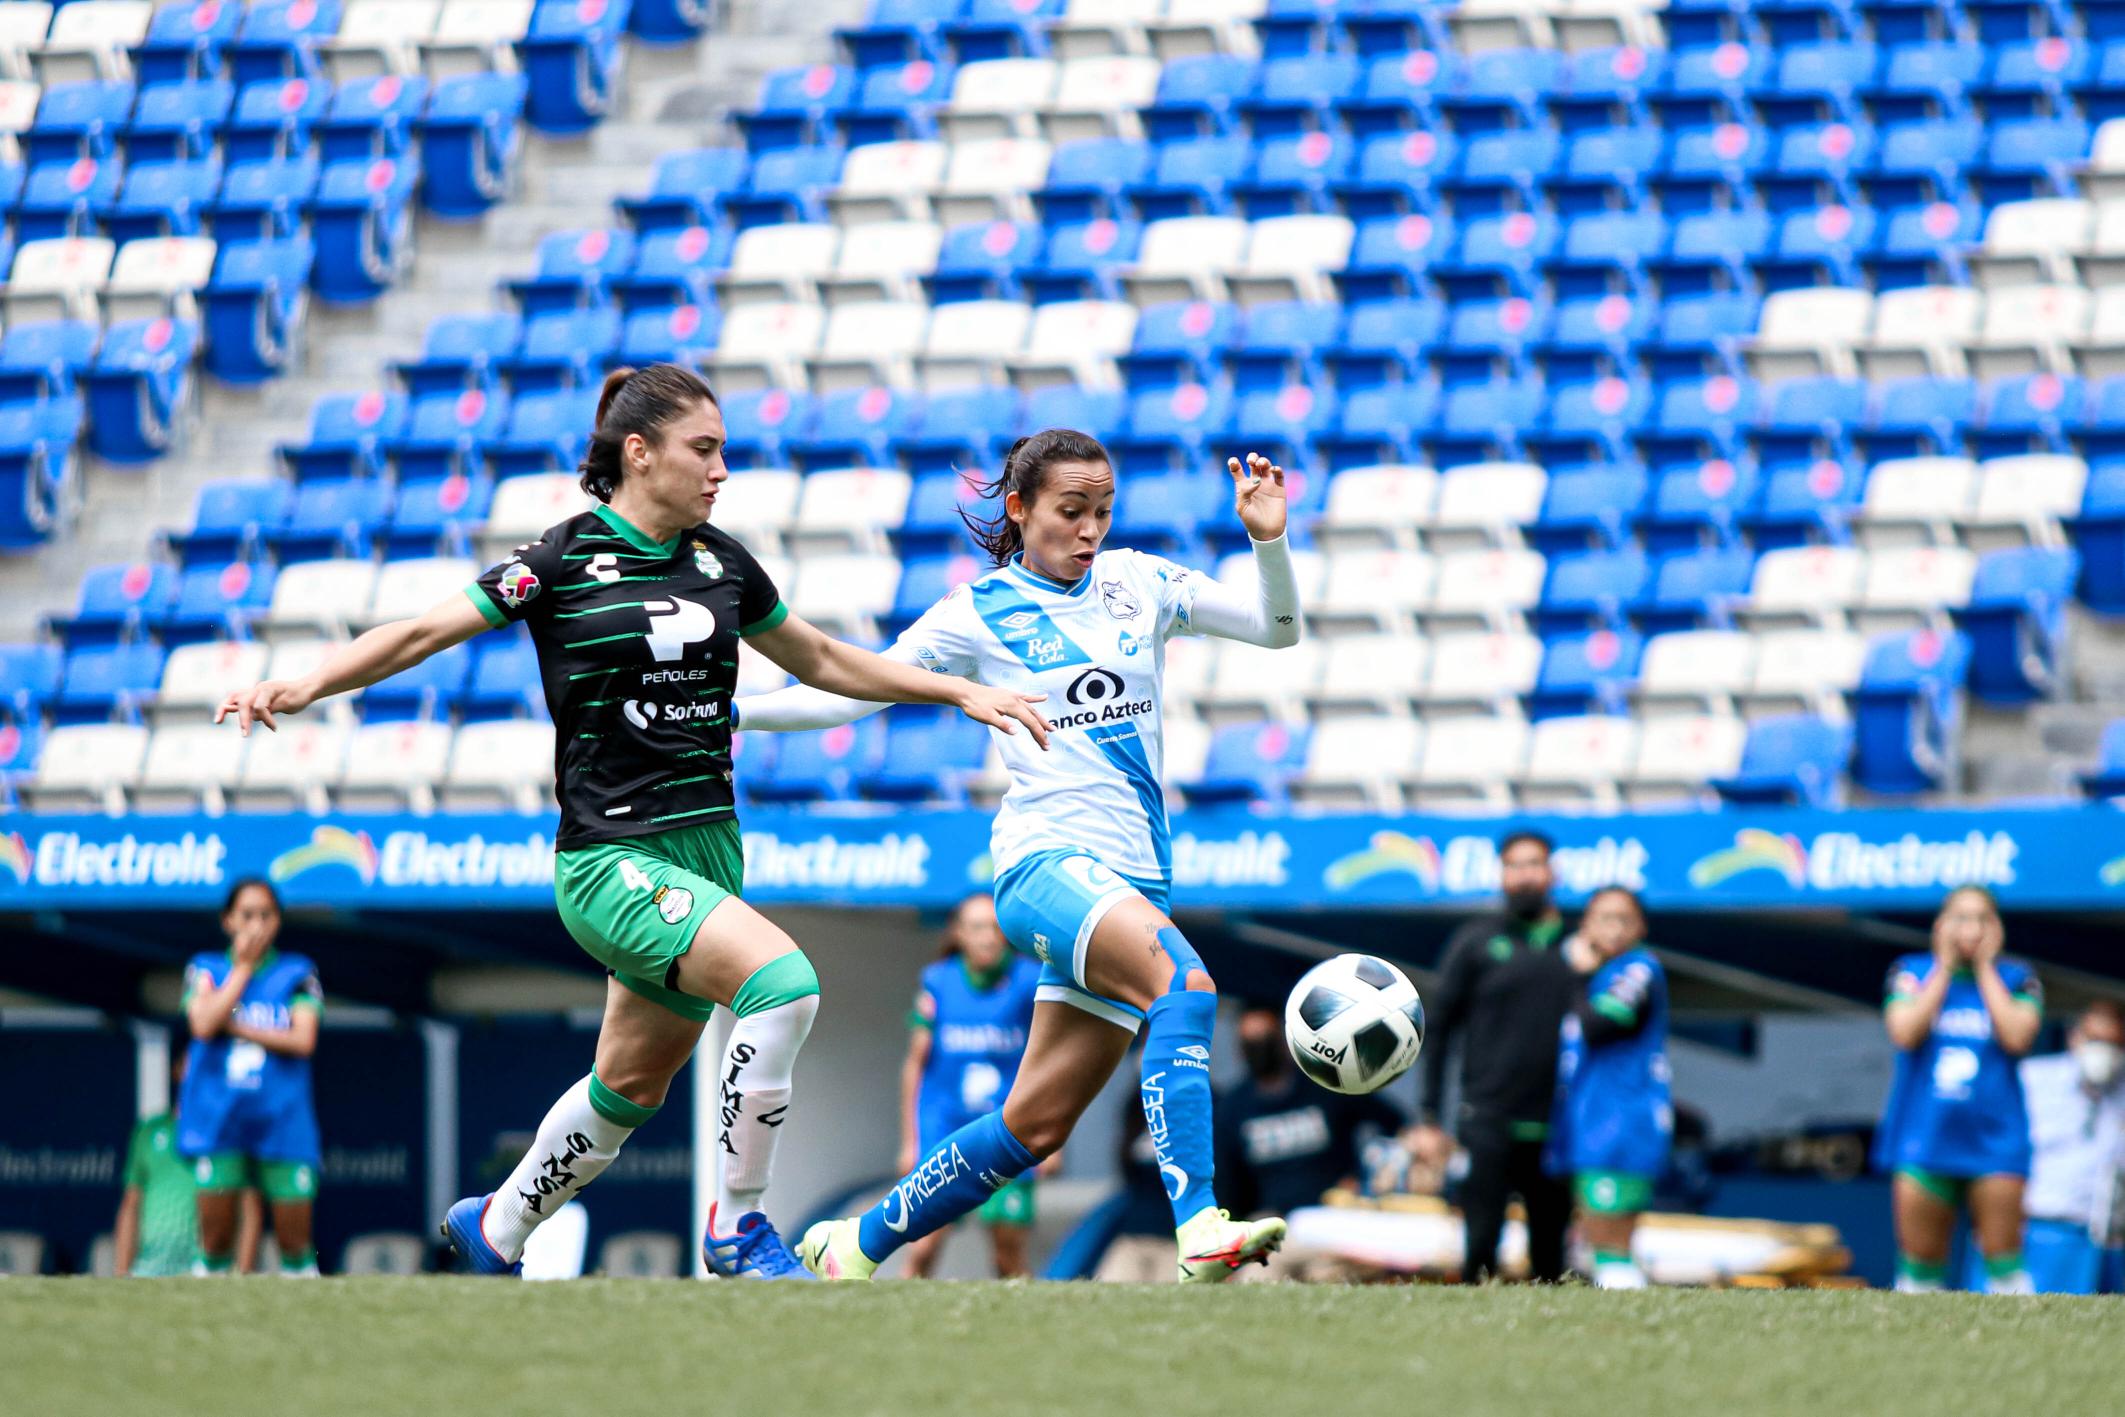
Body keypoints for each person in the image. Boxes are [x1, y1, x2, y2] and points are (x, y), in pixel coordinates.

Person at [215, 363, 1048, 1280]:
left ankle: (498, 1226)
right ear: (640, 453)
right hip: (610, 858)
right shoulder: (562, 558)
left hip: (705, 849)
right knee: (784, 984)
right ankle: (737, 1226)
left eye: (724, 449)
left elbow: (820, 658)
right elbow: (421, 632)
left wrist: (956, 688)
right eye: (705, 448)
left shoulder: (721, 560)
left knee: (629, 1088)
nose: (721, 468)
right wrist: (305, 683)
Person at [736, 433, 1303, 1283]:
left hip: (1135, 879)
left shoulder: (1138, 582)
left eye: (1102, 512)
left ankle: (855, 1245)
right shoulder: (976, 611)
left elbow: (1278, 629)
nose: (1090, 530)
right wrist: (730, 715)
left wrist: (1268, 539)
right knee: (1185, 988)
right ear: (1019, 508)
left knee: (1033, 1125)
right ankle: (1200, 1225)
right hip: (1046, 866)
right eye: (1071, 511)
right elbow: (844, 693)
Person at [1410, 830, 1578, 1283]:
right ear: (1501, 874)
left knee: (1552, 1255)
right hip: (1488, 1118)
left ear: (1552, 872)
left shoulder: (1580, 946)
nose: (1525, 875)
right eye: (1514, 866)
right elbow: (1438, 1030)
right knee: (1480, 1245)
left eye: (1534, 864)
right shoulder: (1475, 942)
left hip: (1558, 1122)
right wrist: (1429, 1116)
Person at [1876, 885, 2043, 1294]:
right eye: (1960, 918)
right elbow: (1905, 1032)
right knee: (1920, 1267)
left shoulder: (2018, 977)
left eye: (1982, 918)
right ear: (1940, 925)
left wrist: (1985, 968)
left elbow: (2018, 1037)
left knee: (2004, 1260)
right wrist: (1945, 967)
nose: (1971, 928)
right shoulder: (1910, 972)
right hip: (1925, 1139)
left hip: (1996, 1142)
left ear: (1997, 927)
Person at [178, 878, 324, 1276]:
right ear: (227, 920)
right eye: (246, 915)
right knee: (216, 1243)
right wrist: (242, 968)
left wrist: (237, 1027)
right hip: (219, 1119)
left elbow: (303, 1038)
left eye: (266, 915)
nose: (256, 924)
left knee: (295, 1244)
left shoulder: (298, 972)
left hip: (283, 1121)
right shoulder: (205, 968)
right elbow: (204, 1023)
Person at [898, 892, 1045, 1279]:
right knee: (923, 1244)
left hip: (1005, 1133)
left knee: (1008, 1253)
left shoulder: (1031, 981)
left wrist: (1051, 1141)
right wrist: (910, 1140)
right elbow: (915, 1064)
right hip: (943, 1130)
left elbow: (1049, 1061)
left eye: (996, 928)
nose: (988, 937)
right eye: (978, 927)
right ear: (959, 933)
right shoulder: (938, 981)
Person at [1216, 1003, 1407, 1282]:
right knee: (1259, 1279)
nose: (1260, 1049)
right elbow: (1227, 1186)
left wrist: (1367, 1179)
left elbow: (1392, 1123)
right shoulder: (1233, 1109)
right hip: (1273, 1224)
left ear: (1282, 1039)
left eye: (1265, 1039)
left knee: (1336, 1279)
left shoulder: (1325, 1084)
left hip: (1334, 1218)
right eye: (1251, 1042)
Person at [1547, 887, 1671, 1290]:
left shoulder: (1637, 969)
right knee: (1593, 1230)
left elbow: (1601, 1026)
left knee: (1609, 1229)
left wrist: (1579, 975)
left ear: (1642, 926)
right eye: (1604, 918)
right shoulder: (1601, 974)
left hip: (1621, 1117)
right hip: (1589, 1113)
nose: (1614, 928)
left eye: (1624, 919)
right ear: (1586, 925)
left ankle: (1625, 1303)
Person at [2017, 998, 2125, 1294]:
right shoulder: (2033, 1078)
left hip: (2102, 1238)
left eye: (2114, 1043)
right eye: (2095, 1040)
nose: (2104, 1051)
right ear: (2074, 1036)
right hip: (2033, 1227)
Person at [114, 1038, 202, 1277]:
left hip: (205, 1273)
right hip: (148, 1270)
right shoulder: (149, 1130)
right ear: (177, 1068)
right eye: (193, 1061)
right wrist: (122, 1275)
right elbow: (131, 1205)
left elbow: (248, 1208)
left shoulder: (228, 1135)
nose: (201, 1068)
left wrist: (239, 1276)